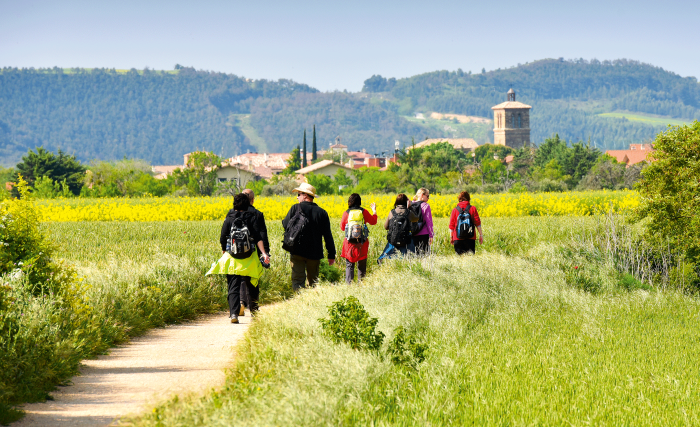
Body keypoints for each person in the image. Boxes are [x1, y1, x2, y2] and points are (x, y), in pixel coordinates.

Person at [220, 193, 270, 323]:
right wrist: (264, 253)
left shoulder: (229, 217)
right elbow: (258, 237)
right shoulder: (251, 217)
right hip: (249, 255)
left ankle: (233, 314)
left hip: (232, 256)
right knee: (252, 284)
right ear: (248, 203)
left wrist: (224, 251)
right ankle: (254, 312)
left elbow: (223, 236)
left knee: (233, 285)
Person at [281, 183, 336, 291]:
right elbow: (327, 235)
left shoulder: (295, 208)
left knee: (297, 280)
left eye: (299, 194)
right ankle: (311, 304)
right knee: (313, 282)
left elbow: (285, 225)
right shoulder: (322, 213)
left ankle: (299, 303)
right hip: (314, 253)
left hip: (297, 251)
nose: (297, 197)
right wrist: (331, 254)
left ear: (305, 195)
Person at [239, 189, 269, 316]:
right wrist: (265, 252)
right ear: (253, 200)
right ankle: (254, 309)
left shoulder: (234, 213)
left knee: (241, 277)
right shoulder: (257, 214)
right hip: (253, 250)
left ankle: (241, 302)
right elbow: (262, 234)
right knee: (253, 278)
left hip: (237, 251)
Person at [339, 193, 377, 283]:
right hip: (362, 242)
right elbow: (373, 221)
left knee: (349, 265)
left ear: (350, 202)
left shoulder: (346, 213)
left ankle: (349, 285)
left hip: (349, 244)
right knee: (362, 265)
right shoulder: (364, 211)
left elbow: (342, 227)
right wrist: (374, 211)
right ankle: (362, 285)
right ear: (360, 202)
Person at [379, 193, 419, 261]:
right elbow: (416, 218)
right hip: (405, 239)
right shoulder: (408, 212)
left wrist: (394, 227)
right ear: (406, 202)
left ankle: (383, 257)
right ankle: (412, 258)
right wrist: (410, 207)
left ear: (396, 201)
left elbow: (386, 227)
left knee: (392, 237)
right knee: (409, 238)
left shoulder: (392, 212)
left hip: (393, 240)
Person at [448, 191, 484, 255]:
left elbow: (451, 225)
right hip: (470, 237)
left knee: (459, 260)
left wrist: (451, 237)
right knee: (470, 259)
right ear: (468, 199)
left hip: (457, 238)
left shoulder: (455, 210)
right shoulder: (473, 208)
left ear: (459, 199)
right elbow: (477, 223)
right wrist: (481, 235)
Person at [410, 188, 434, 256]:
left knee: (415, 256)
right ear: (422, 195)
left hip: (413, 234)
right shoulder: (426, 206)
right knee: (424, 256)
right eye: (427, 196)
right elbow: (429, 222)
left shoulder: (411, 204)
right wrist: (431, 235)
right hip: (424, 234)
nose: (428, 198)